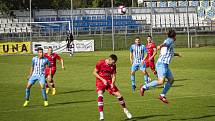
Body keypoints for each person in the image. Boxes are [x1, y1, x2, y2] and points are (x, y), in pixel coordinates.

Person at [140, 30, 181, 104]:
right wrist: (160, 46)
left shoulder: (170, 43)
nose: (176, 37)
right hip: (161, 64)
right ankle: (144, 87)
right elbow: (166, 44)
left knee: (171, 80)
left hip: (164, 64)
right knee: (161, 81)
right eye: (175, 36)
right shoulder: (170, 40)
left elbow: (170, 53)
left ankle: (162, 95)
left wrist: (177, 54)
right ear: (174, 36)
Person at [93, 54, 132, 120]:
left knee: (119, 95)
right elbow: (94, 72)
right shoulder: (100, 63)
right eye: (113, 62)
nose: (113, 64)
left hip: (109, 81)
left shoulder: (113, 65)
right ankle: (101, 113)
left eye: (114, 63)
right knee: (100, 94)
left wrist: (112, 83)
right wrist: (102, 79)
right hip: (100, 81)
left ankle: (125, 110)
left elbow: (113, 76)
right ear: (109, 59)